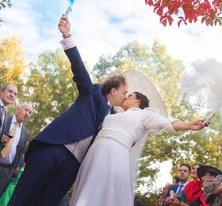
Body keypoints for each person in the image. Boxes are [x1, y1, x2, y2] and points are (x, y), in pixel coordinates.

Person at [8, 16, 128, 206]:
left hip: (72, 167)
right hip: (54, 148)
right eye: (124, 92)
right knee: (23, 196)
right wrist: (67, 35)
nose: (125, 96)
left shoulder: (113, 118)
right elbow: (79, 69)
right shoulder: (92, 92)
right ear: (114, 89)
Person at [70, 92, 207, 206]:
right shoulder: (111, 114)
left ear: (138, 101)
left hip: (115, 154)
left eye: (129, 96)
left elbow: (167, 122)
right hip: (94, 153)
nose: (125, 97)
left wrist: (189, 125)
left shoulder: (144, 115)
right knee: (87, 190)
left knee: (105, 192)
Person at [0, 103, 32, 194]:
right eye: (26, 110)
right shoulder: (4, 119)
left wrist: (13, 168)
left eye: (30, 113)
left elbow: (20, 151)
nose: (27, 114)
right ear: (17, 109)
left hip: (6, 171)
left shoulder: (25, 133)